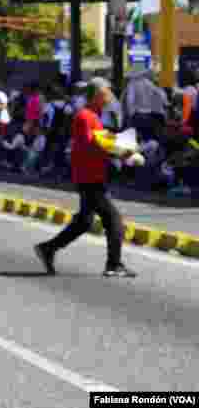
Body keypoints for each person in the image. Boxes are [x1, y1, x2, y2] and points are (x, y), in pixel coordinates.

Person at [34, 77, 139, 278]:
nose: (110, 95)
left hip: (93, 174)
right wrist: (119, 151)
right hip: (89, 177)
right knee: (114, 220)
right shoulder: (85, 116)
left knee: (84, 221)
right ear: (98, 94)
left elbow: (100, 143)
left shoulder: (94, 116)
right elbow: (91, 145)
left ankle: (48, 249)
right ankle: (114, 264)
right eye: (108, 91)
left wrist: (120, 149)